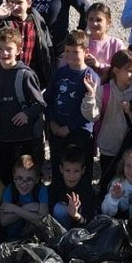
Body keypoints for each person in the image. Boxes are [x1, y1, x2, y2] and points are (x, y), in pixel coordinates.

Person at [83, 49, 132, 194]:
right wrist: (90, 96)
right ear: (116, 71)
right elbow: (92, 116)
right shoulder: (103, 91)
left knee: (131, 184)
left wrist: (131, 113)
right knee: (108, 183)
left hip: (130, 150)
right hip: (109, 148)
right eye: (129, 71)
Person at [0, 25, 46, 171]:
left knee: (25, 178)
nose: (4, 53)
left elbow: (40, 104)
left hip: (23, 140)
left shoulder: (26, 75)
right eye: (0, 48)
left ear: (18, 50)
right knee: (3, 177)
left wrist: (26, 113)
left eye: (9, 49)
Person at [45, 31, 98, 169]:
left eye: (75, 52)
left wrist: (69, 128)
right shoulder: (60, 72)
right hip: (57, 129)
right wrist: (51, 122)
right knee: (58, 167)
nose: (70, 56)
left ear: (86, 52)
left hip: (79, 133)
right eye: (67, 51)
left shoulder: (90, 77)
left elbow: (91, 112)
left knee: (79, 168)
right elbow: (48, 99)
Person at [0, 0, 53, 86]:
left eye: (19, 2)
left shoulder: (37, 21)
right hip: (8, 75)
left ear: (29, 3)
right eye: (12, 3)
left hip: (32, 75)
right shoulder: (3, 22)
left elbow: (46, 47)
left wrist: (48, 76)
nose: (15, 7)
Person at [0, 154, 49, 239]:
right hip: (12, 239)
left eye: (29, 179)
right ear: (14, 176)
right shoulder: (10, 190)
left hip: (35, 238)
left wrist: (15, 209)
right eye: (19, 178)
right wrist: (26, 208)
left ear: (36, 179)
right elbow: (3, 221)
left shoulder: (41, 189)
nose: (23, 184)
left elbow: (43, 221)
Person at [50, 145, 98, 228]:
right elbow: (49, 209)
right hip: (60, 227)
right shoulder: (56, 185)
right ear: (61, 169)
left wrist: (76, 215)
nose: (71, 176)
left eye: (76, 171)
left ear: (82, 170)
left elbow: (90, 219)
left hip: (81, 230)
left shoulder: (87, 189)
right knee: (59, 209)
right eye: (67, 171)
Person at [83, 2, 125, 77]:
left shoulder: (116, 44)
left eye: (99, 20)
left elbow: (123, 69)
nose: (94, 23)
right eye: (91, 19)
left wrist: (99, 65)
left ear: (108, 23)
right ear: (86, 20)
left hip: (109, 86)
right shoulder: (81, 41)